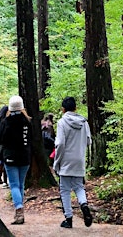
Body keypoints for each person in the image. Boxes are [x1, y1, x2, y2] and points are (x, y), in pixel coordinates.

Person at [53, 96, 93, 228]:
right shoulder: (84, 122)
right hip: (79, 159)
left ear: (63, 109)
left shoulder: (62, 123)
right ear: (75, 108)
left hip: (65, 160)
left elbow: (60, 144)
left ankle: (68, 219)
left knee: (64, 190)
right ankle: (84, 204)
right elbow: (88, 141)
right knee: (79, 187)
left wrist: (56, 162)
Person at [0, 95, 32, 225]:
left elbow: (0, 139)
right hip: (25, 157)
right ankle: (20, 209)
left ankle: (19, 209)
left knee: (14, 185)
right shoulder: (27, 121)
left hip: (10, 157)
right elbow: (32, 139)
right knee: (20, 184)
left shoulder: (6, 122)